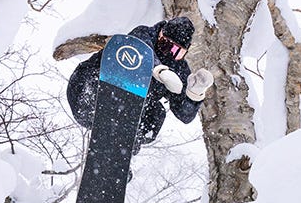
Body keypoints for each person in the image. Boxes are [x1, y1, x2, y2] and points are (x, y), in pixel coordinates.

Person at [66, 16, 214, 150]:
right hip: (87, 89)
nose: (168, 53)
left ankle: (119, 154)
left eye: (177, 52)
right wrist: (158, 70)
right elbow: (140, 47)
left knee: (156, 114)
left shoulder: (178, 68)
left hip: (121, 115)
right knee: (122, 82)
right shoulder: (143, 33)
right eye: (165, 45)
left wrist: (194, 93)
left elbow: (184, 115)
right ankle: (108, 119)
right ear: (160, 34)